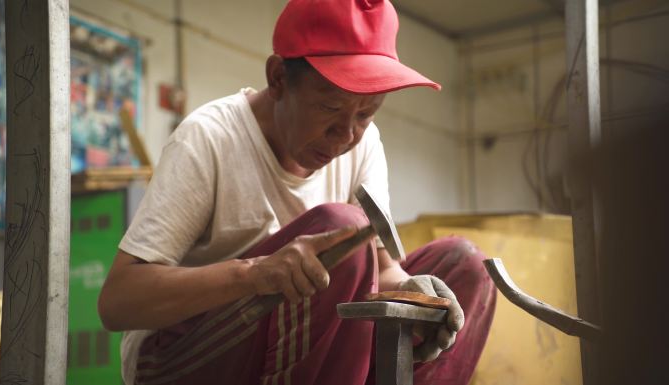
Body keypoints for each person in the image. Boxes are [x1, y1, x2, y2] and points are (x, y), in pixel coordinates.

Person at [98, 1, 496, 384]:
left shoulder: (363, 143)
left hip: (305, 353)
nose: (345, 136)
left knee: (464, 265)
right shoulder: (209, 138)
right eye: (329, 108)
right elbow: (117, 303)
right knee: (341, 231)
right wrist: (254, 275)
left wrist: (409, 290)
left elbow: (384, 268)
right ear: (278, 79)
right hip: (178, 361)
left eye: (366, 113)